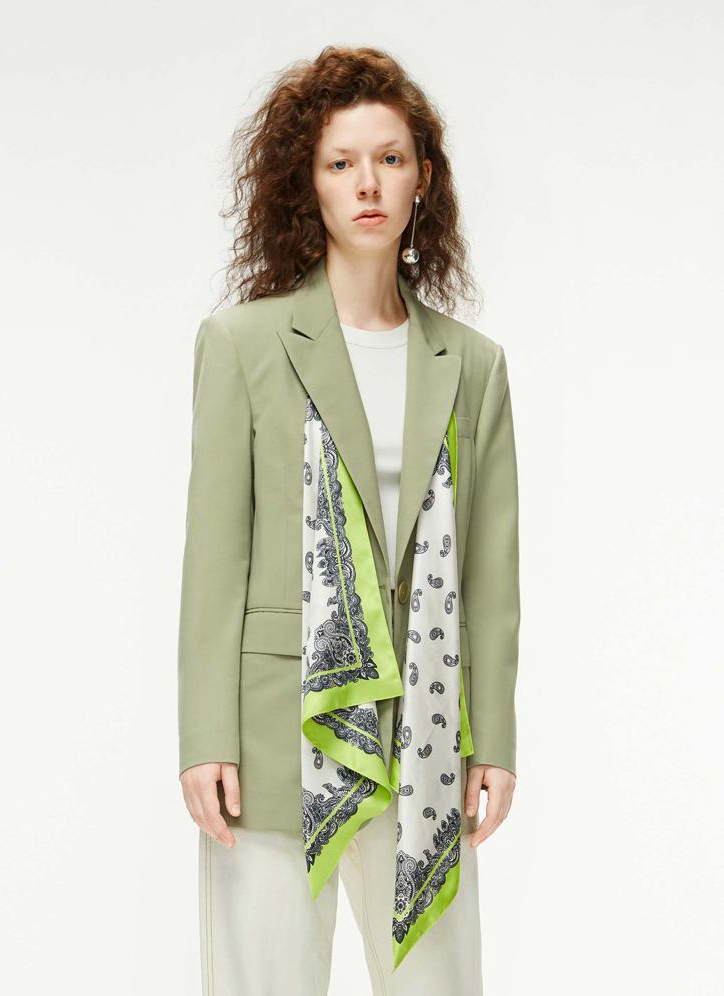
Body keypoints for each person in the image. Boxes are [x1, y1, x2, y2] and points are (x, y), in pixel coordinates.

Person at [177, 45, 520, 996]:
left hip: (429, 735)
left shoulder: (473, 364)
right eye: (341, 162)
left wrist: (494, 740)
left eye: (390, 158)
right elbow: (214, 557)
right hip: (274, 732)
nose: (368, 183)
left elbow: (490, 574)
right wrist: (204, 734)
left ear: (422, 179)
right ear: (310, 183)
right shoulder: (242, 343)